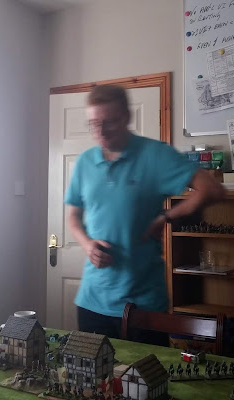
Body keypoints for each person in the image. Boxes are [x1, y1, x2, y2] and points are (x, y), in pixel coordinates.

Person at [65, 84, 224, 340]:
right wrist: (87, 245)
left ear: (127, 117)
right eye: (93, 124)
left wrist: (166, 217)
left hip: (143, 307)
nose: (100, 132)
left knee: (145, 368)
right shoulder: (85, 162)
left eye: (109, 122)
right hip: (92, 303)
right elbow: (73, 216)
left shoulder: (156, 155)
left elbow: (212, 190)